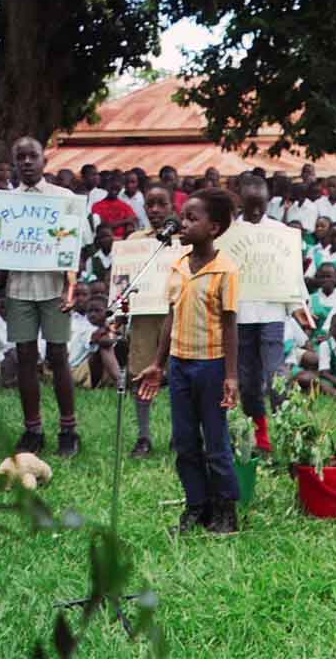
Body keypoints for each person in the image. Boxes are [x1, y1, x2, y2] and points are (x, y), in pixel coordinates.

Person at [137, 188, 241, 535]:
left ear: (213, 228)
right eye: (182, 217)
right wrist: (158, 363)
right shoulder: (178, 265)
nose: (182, 224)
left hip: (211, 366)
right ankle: (196, 505)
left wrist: (230, 376)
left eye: (191, 219)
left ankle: (225, 509)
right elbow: (171, 316)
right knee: (184, 442)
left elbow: (229, 324)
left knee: (216, 442)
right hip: (180, 366)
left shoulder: (225, 270)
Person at [0, 137, 81, 458]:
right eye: (20, 156)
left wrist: (71, 290)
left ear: (44, 160)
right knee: (25, 356)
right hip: (20, 291)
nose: (26, 162)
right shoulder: (3, 203)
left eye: (32, 156)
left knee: (58, 355)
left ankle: (68, 430)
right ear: (13, 162)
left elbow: (71, 252)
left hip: (53, 289)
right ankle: (33, 429)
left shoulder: (63, 199)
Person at [236, 175, 288, 453]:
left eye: (261, 205)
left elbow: (291, 275)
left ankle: (289, 434)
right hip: (241, 316)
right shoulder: (230, 234)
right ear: (240, 200)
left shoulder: (280, 231)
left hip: (271, 313)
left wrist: (298, 308)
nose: (256, 212)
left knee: (276, 378)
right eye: (250, 205)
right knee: (247, 382)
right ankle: (262, 438)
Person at [125, 182, 175, 458]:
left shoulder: (183, 240)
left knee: (178, 376)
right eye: (150, 205)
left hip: (174, 315)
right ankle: (144, 437)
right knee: (141, 374)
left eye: (161, 204)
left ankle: (179, 436)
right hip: (144, 317)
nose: (155, 210)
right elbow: (123, 279)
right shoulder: (135, 242)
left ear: (172, 207)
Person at [308, 263, 336, 342]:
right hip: (316, 338)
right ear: (318, 279)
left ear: (335, 278)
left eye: (328, 276)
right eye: (322, 277)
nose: (325, 280)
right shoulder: (312, 298)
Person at [91, 173, 137, 239]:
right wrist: (125, 221)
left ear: (121, 188)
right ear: (106, 187)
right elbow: (102, 227)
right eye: (112, 188)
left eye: (117, 189)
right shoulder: (97, 206)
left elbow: (132, 222)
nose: (114, 191)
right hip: (105, 241)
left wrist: (127, 232)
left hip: (123, 242)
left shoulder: (125, 206)